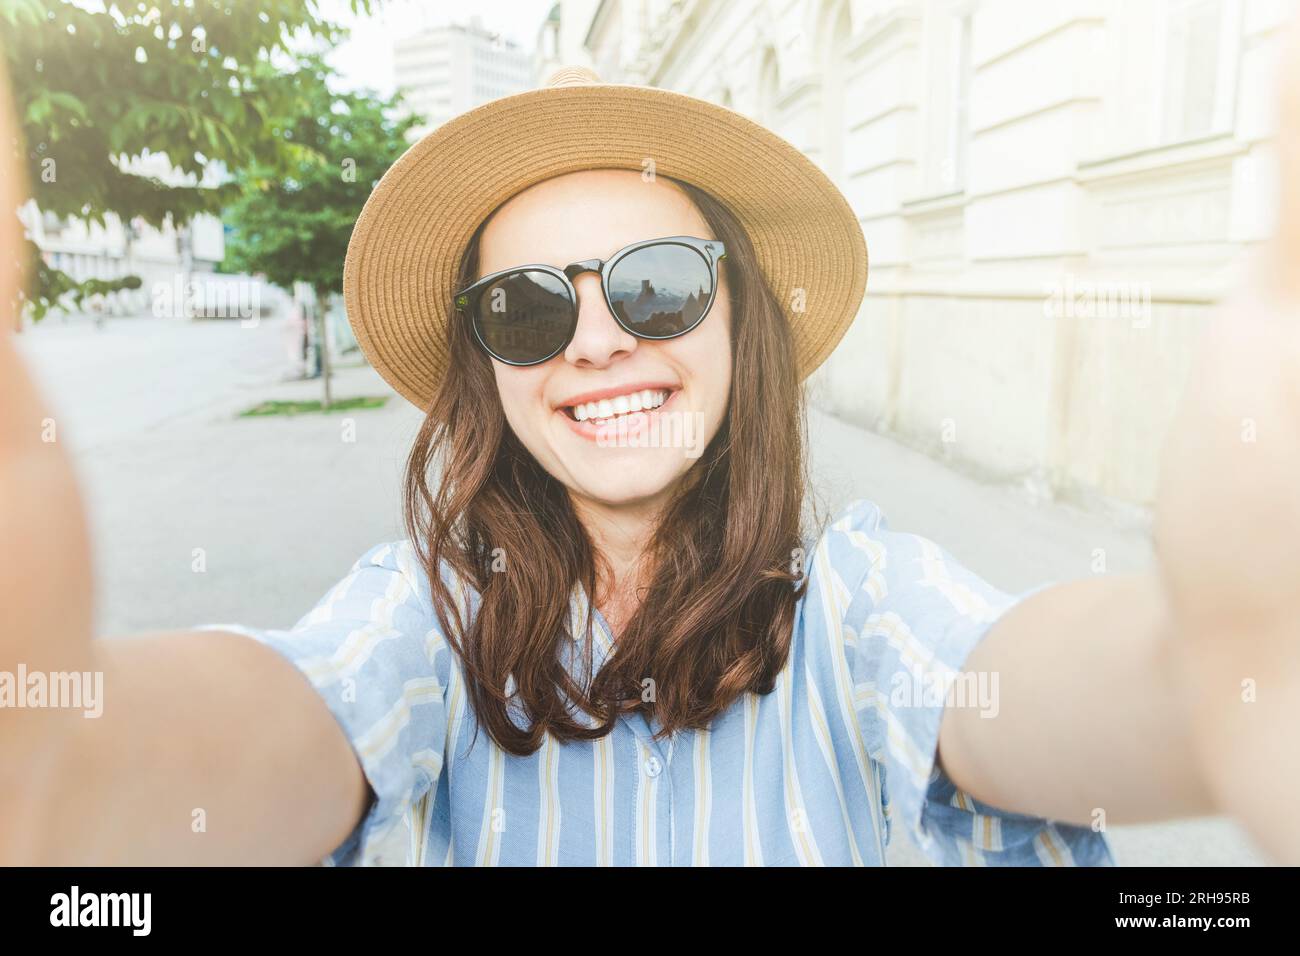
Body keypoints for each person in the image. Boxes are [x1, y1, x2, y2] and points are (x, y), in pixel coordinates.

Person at [2, 55, 1298, 867]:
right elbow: (237, 746)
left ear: (740, 320)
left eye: (660, 285)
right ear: (488, 367)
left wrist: (1216, 666)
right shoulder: (425, 622)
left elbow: (1044, 689)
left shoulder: (856, 607)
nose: (602, 341)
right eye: (527, 308)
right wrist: (56, 756)